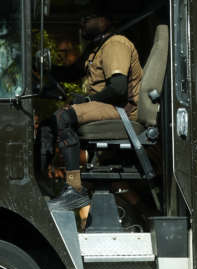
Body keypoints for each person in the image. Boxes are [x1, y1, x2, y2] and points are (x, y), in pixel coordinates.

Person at [43, 12, 143, 228]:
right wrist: (42, 69)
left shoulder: (115, 44)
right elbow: (71, 73)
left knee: (63, 117)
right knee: (48, 124)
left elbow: (118, 89)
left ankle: (74, 188)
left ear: (105, 20)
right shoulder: (97, 47)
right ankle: (42, 185)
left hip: (121, 111)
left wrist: (87, 99)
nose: (81, 22)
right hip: (106, 107)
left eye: (87, 18)